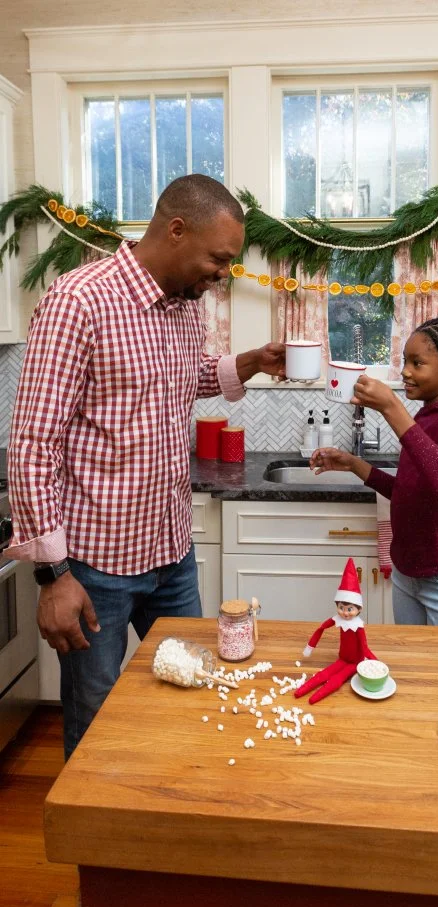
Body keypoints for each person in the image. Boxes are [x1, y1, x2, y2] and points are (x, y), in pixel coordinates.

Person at [4, 174, 285, 759]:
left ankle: (175, 822)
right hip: (95, 567)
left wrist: (252, 361)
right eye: (219, 258)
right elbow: (33, 442)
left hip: (171, 555)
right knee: (101, 723)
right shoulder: (78, 301)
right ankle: (103, 845)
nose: (223, 273)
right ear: (176, 230)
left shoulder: (184, 306)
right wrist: (54, 576)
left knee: (194, 694)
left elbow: (186, 378)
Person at [311, 316, 438, 628]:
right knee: (412, 669)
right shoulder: (424, 416)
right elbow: (410, 492)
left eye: (417, 363)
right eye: (405, 361)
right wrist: (356, 465)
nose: (405, 371)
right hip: (407, 574)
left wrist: (391, 407)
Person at [295, 557, 376, 704]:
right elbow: (322, 628)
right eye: (341, 608)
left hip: (355, 662)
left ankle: (314, 698)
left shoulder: (358, 626)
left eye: (350, 609)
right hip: (342, 658)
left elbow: (364, 647)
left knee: (338, 679)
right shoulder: (337, 620)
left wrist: (374, 662)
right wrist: (310, 646)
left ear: (359, 609)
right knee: (325, 673)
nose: (345, 613)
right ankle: (300, 691)